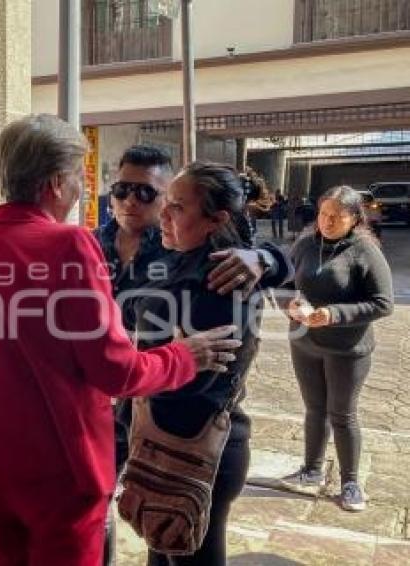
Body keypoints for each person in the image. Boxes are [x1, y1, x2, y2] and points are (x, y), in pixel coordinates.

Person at [0, 115, 242, 566]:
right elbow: (116, 371)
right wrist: (184, 356)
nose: (83, 187)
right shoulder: (70, 246)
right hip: (61, 468)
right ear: (57, 182)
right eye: (80, 175)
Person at [93, 146, 291, 566]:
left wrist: (266, 257)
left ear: (216, 219)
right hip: (144, 434)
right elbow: (128, 309)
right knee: (154, 548)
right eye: (122, 190)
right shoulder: (118, 246)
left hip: (189, 445)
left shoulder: (217, 272)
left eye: (166, 202)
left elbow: (199, 382)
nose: (138, 204)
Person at [280, 186, 394, 511]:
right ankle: (311, 470)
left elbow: (384, 304)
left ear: (354, 218)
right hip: (305, 343)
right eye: (323, 214)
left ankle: (350, 483)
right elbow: (284, 284)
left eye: (337, 216)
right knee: (314, 410)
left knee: (342, 414)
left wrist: (333, 314)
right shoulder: (304, 244)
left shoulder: (365, 251)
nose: (327, 222)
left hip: (348, 348)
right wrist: (291, 304)